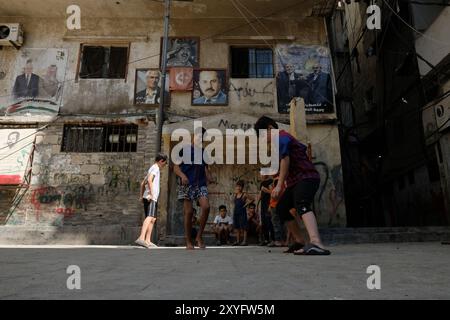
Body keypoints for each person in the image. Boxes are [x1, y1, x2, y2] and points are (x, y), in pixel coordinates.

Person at [254, 116, 330, 255]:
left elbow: (286, 160)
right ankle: (299, 241)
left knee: (302, 204)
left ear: (271, 128)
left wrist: (279, 186)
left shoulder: (281, 137)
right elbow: (287, 162)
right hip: (296, 181)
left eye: (264, 135)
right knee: (282, 208)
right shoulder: (282, 140)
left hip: (307, 177)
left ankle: (316, 242)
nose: (265, 139)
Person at [173, 127, 212, 250]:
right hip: (187, 184)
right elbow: (176, 167)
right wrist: (182, 175)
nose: (200, 139)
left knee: (206, 207)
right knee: (189, 212)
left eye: (202, 137)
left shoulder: (204, 152)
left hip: (200, 184)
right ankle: (188, 241)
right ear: (193, 136)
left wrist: (209, 177)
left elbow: (205, 168)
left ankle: (199, 237)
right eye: (198, 136)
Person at [135, 153, 168, 248]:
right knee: (150, 217)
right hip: (151, 197)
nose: (164, 166)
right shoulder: (155, 168)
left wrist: (141, 196)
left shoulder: (152, 168)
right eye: (165, 163)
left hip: (149, 197)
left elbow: (142, 183)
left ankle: (148, 240)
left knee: (152, 219)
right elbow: (149, 180)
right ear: (161, 161)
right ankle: (141, 238)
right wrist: (152, 194)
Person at [232, 180, 253, 246]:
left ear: (242, 187)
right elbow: (234, 203)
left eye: (240, 186)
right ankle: (238, 241)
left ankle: (244, 241)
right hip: (236, 212)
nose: (238, 188)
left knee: (244, 227)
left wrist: (246, 205)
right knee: (237, 227)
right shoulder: (235, 194)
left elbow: (252, 199)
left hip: (242, 212)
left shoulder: (244, 194)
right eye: (237, 186)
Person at [259, 174, 274, 246]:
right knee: (264, 222)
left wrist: (266, 190)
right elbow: (260, 194)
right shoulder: (262, 183)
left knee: (269, 222)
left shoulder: (270, 181)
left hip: (268, 204)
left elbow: (272, 193)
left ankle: (273, 240)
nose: (261, 175)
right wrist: (257, 205)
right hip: (263, 205)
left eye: (262, 174)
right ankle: (266, 240)